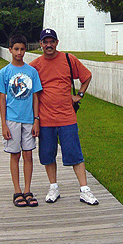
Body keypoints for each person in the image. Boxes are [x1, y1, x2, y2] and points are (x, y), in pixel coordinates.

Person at [30, 28, 99, 205]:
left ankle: (85, 189)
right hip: (45, 119)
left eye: (52, 41)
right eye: (45, 42)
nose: (49, 45)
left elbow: (87, 76)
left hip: (67, 118)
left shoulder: (69, 59)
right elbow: (29, 90)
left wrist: (80, 95)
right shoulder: (35, 65)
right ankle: (53, 187)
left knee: (75, 154)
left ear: (57, 42)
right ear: (40, 44)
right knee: (48, 155)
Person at [0, 35, 42, 207]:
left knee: (28, 154)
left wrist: (36, 119)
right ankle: (17, 190)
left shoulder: (32, 72)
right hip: (12, 119)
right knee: (15, 155)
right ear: (10, 50)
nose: (19, 52)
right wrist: (3, 124)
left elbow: (36, 96)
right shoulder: (4, 73)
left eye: (22, 49)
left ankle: (28, 190)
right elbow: (2, 99)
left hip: (29, 119)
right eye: (16, 49)